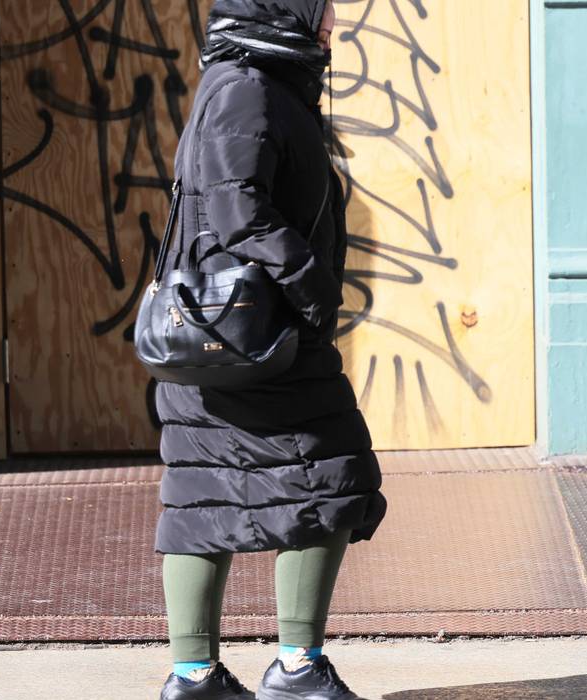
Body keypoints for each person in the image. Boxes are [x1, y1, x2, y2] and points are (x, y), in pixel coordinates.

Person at [154, 1, 387, 698]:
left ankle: (197, 679)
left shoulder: (257, 84)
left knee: (204, 498)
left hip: (241, 332)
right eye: (322, 14)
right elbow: (237, 207)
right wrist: (311, 285)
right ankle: (295, 670)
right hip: (256, 333)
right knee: (330, 476)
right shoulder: (247, 89)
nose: (332, 28)